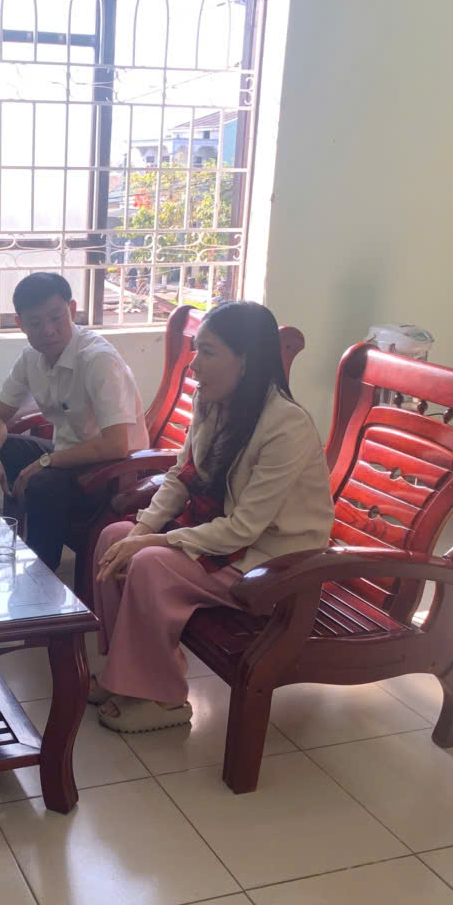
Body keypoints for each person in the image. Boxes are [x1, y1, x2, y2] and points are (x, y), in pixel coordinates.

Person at [90, 301, 334, 733]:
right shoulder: (211, 402)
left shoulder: (286, 426)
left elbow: (244, 529)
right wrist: (142, 529)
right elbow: (181, 476)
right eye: (195, 349)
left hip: (272, 561)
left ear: (246, 360)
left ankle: (164, 699)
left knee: (150, 563)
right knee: (114, 537)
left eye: (207, 351)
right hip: (221, 538)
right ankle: (124, 675)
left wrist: (151, 542)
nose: (193, 364)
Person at [0, 272, 147, 570]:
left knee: (43, 483)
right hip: (66, 456)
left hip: (111, 469)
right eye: (35, 323)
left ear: (72, 310)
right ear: (21, 324)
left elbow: (116, 444)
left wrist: (46, 462)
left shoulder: (98, 359)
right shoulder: (31, 358)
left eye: (56, 318)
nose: (48, 331)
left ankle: (41, 577)